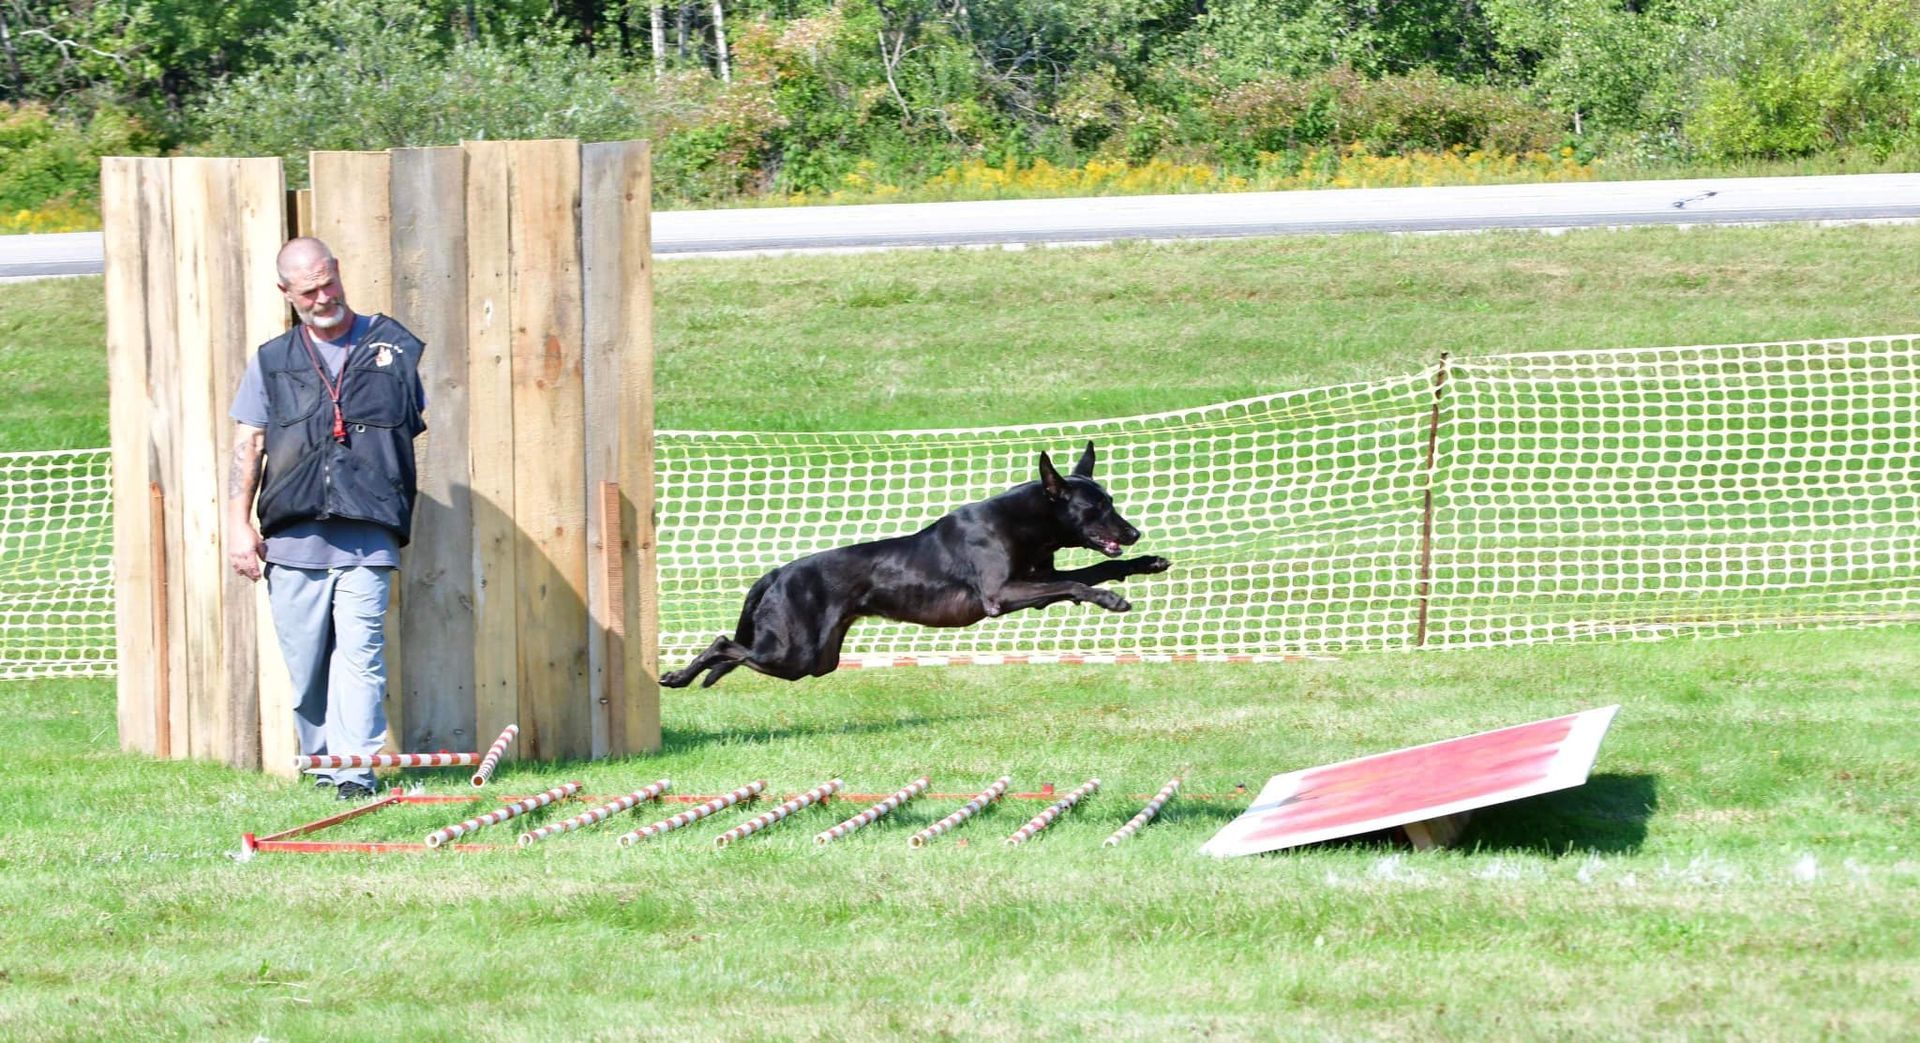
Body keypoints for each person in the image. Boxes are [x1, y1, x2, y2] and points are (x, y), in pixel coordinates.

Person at [226, 237, 427, 800]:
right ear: (286, 293)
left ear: (339, 273)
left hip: (369, 535)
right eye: (309, 290)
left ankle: (354, 771)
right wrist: (240, 525)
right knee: (308, 666)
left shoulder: (393, 348)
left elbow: (407, 428)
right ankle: (323, 761)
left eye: (328, 283)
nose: (323, 297)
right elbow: (250, 443)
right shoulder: (272, 360)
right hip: (293, 538)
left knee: (361, 655)